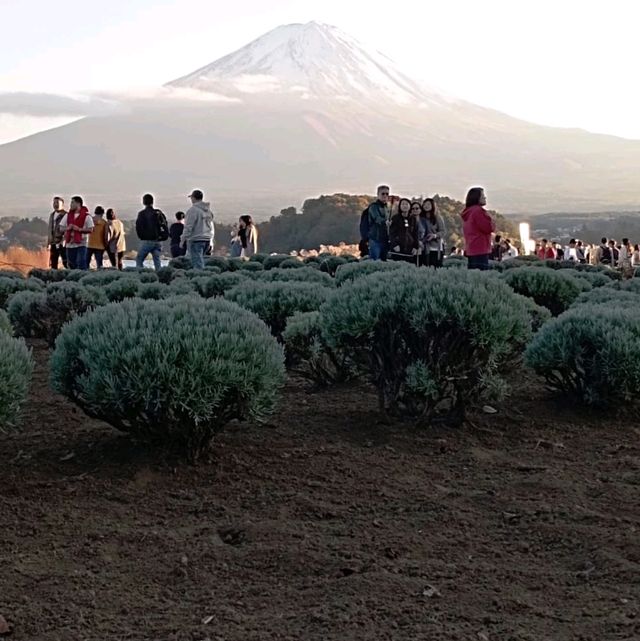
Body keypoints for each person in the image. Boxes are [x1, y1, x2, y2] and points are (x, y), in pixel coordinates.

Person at [461, 187, 495, 270]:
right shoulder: (478, 211)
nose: (485, 197)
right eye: (482, 195)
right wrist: (490, 219)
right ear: (477, 198)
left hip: (472, 248)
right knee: (482, 275)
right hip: (481, 249)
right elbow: (488, 228)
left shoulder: (469, 212)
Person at [183, 189, 215, 270]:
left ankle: (200, 278)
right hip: (207, 239)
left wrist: (183, 238)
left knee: (197, 263)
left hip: (196, 239)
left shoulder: (193, 210)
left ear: (193, 198)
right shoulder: (208, 211)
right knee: (201, 261)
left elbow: (188, 227)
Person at [135, 193, 168, 271]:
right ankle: (160, 276)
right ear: (152, 202)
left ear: (143, 202)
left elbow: (138, 227)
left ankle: (141, 275)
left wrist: (141, 237)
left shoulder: (142, 214)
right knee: (157, 261)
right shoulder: (158, 213)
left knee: (139, 259)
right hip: (158, 240)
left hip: (147, 240)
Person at [62, 195, 93, 270]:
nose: (70, 205)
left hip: (81, 243)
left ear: (78, 203)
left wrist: (79, 229)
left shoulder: (87, 216)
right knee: (71, 264)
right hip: (70, 244)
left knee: (81, 262)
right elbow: (61, 228)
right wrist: (68, 228)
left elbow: (91, 229)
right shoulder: (67, 215)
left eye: (72, 203)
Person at [389, 198, 418, 263]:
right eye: (403, 204)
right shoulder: (395, 218)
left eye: (406, 204)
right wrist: (394, 245)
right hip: (398, 248)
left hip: (409, 249)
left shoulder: (413, 219)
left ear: (410, 206)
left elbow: (415, 234)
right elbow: (391, 233)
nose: (405, 206)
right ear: (400, 206)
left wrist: (416, 247)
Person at [367, 185, 390, 261]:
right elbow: (377, 219)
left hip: (385, 239)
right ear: (378, 194)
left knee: (384, 261)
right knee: (375, 261)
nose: (385, 196)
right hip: (375, 239)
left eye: (387, 194)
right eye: (383, 194)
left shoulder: (387, 208)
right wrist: (386, 222)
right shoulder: (373, 207)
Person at [421, 198, 446, 267]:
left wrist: (435, 235)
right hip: (424, 247)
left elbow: (443, 231)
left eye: (428, 204)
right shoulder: (421, 218)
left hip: (436, 247)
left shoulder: (437, 217)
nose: (426, 206)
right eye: (425, 204)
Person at [47, 196, 68, 269]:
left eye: (57, 203)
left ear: (62, 204)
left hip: (62, 243)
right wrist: (49, 242)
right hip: (53, 243)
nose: (55, 204)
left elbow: (67, 229)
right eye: (54, 203)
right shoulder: (52, 215)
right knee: (53, 262)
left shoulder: (66, 215)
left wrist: (64, 240)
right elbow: (50, 229)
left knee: (66, 262)